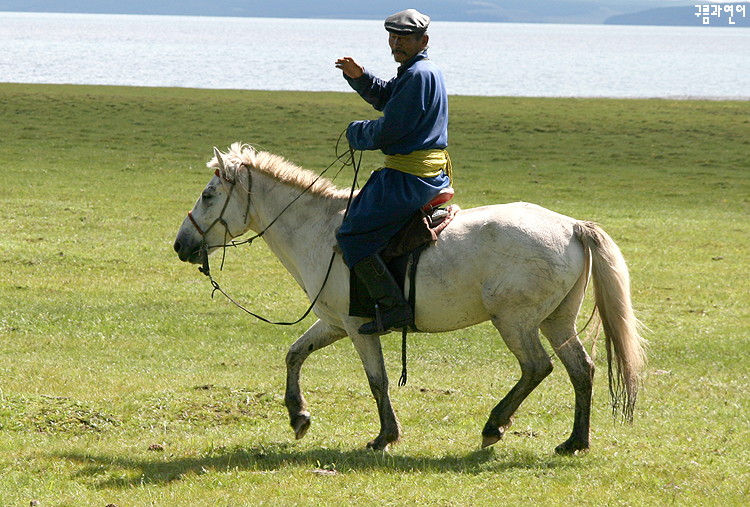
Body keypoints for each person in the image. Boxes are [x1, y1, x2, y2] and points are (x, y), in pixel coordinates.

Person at [335, 9, 451, 335]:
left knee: (352, 236)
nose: (396, 43)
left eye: (404, 38)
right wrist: (360, 77)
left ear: (423, 40)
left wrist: (357, 133)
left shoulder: (416, 75)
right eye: (393, 36)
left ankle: (393, 308)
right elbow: (389, 98)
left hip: (409, 179)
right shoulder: (419, 71)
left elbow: (391, 130)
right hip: (422, 173)